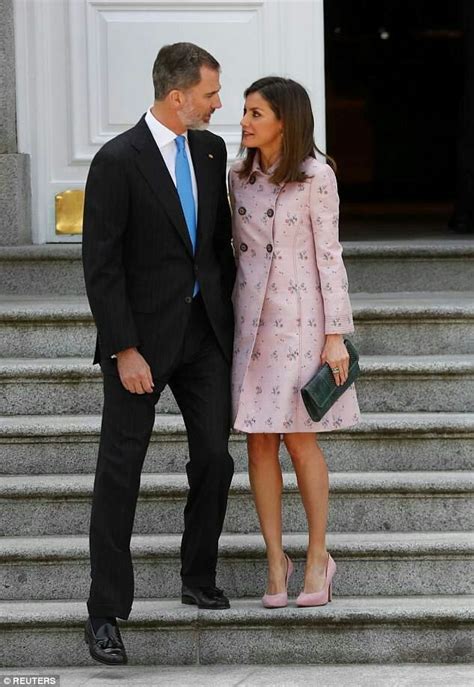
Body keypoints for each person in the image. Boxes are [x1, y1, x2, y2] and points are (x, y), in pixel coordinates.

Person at [82, 42, 236, 665]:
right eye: (210, 94)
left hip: (204, 338)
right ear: (177, 96)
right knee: (120, 472)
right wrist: (123, 348)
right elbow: (102, 265)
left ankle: (196, 576)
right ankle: (104, 613)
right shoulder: (117, 160)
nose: (219, 104)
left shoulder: (210, 149)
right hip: (139, 344)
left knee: (215, 460)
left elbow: (218, 247)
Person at [229, 76, 360, 609]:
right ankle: (274, 560)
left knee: (300, 439)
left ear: (285, 119)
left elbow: (330, 256)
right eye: (244, 111)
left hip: (302, 324)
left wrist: (336, 337)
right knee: (258, 441)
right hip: (249, 327)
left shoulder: (316, 176)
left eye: (256, 113)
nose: (244, 121)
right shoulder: (237, 175)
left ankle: (317, 557)